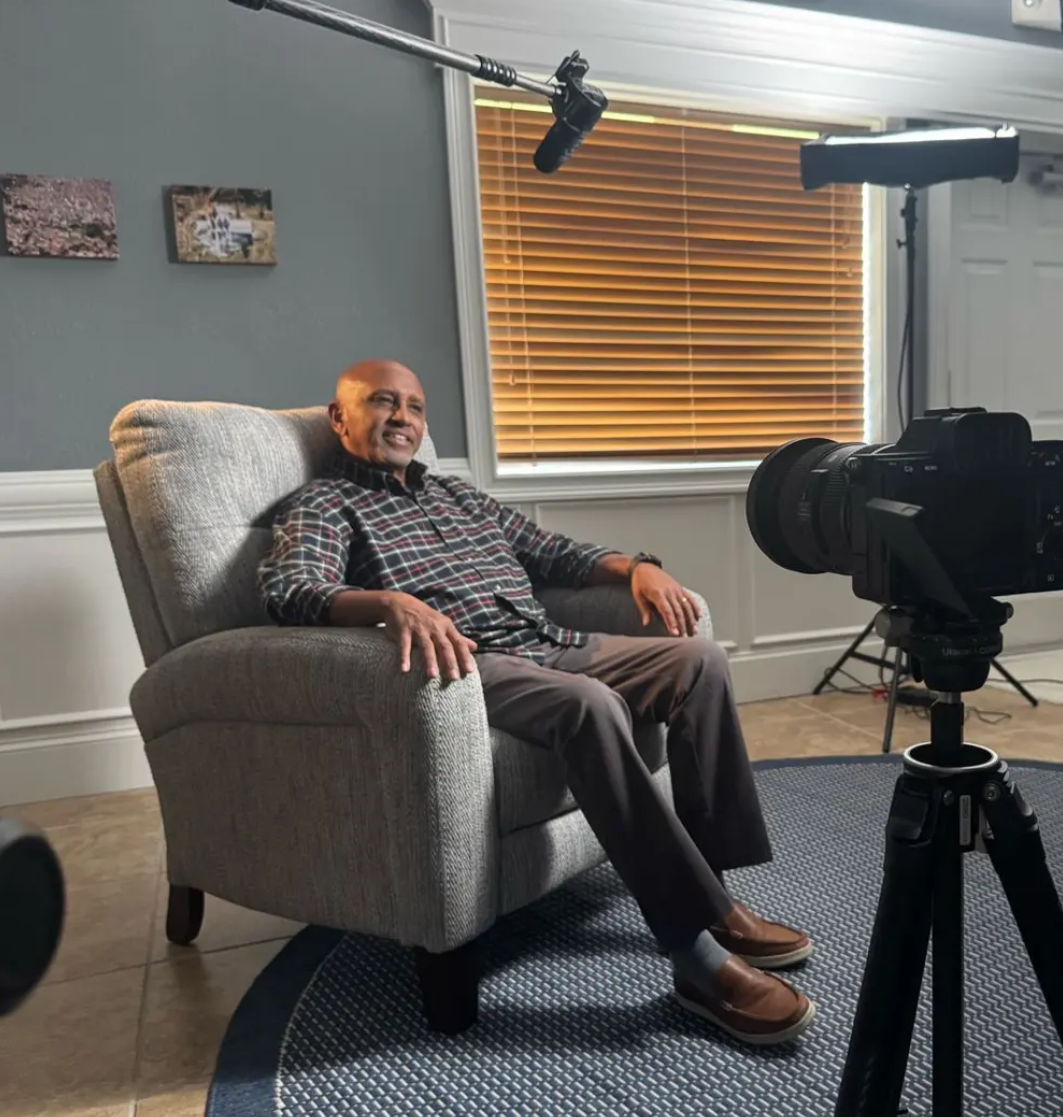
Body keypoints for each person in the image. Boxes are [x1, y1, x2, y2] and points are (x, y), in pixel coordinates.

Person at [256, 360, 816, 1045]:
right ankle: (696, 957)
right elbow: (291, 590)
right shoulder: (324, 504)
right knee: (590, 705)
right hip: (470, 666)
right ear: (339, 418)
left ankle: (717, 898)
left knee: (700, 660)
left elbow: (555, 553)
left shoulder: (459, 496)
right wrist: (387, 602)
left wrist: (637, 568)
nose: (402, 417)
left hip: (550, 641)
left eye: (415, 406)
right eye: (382, 402)